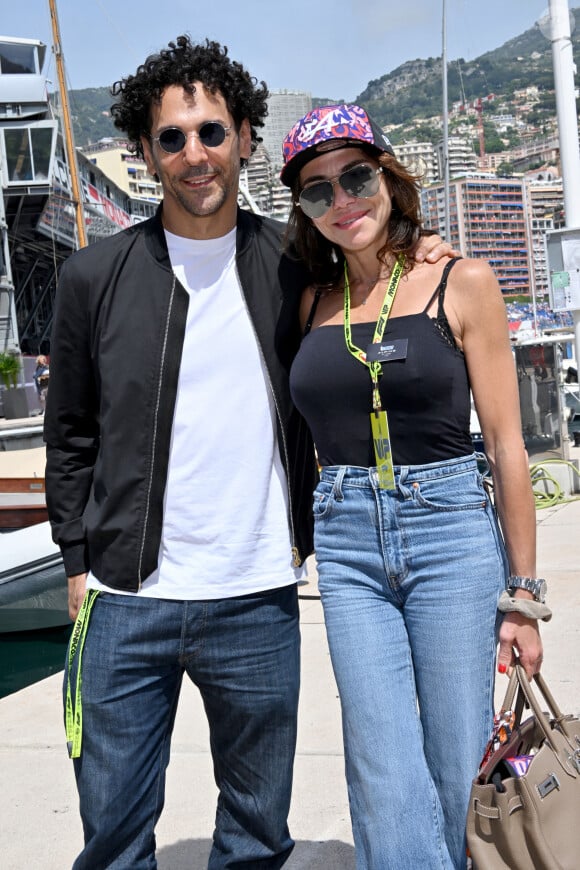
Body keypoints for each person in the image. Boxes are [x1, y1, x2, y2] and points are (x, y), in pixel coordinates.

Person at [43, 41, 454, 869]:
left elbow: (377, 261)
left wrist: (425, 250)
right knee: (113, 838)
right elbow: (71, 431)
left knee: (258, 835)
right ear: (145, 150)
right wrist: (78, 563)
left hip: (258, 596)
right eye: (172, 138)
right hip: (126, 599)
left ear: (245, 138)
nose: (195, 154)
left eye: (212, 131)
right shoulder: (93, 277)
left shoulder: (294, 265)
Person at [279, 104, 546, 870]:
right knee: (380, 765)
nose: (342, 202)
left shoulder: (461, 280)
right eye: (317, 192)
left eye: (356, 178)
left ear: (389, 177)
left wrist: (523, 597)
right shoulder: (309, 299)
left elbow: (505, 445)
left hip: (451, 529)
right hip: (346, 536)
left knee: (461, 755)